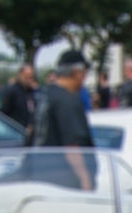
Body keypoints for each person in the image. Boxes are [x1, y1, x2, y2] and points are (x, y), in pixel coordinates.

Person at [31, 49, 95, 190]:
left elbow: (31, 131)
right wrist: (84, 178)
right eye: (84, 73)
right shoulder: (68, 100)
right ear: (77, 73)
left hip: (40, 175)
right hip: (63, 180)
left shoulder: (44, 95)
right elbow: (72, 145)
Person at [0, 63, 37, 143]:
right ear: (20, 75)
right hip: (14, 134)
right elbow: (4, 113)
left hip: (29, 135)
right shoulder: (12, 91)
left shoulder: (31, 92)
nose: (29, 80)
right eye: (27, 77)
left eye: (31, 77)